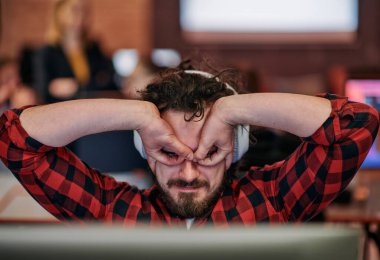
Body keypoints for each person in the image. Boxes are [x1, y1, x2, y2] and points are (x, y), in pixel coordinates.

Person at [0, 63, 379, 228]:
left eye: (210, 152)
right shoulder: (111, 212)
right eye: (169, 152)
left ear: (236, 152)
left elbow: (357, 125)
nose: (188, 173)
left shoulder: (273, 202)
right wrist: (137, 116)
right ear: (146, 152)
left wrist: (233, 110)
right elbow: (15, 139)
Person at [34, 0, 117, 104]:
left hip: (93, 108)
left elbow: (110, 80)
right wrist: (94, 83)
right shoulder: (47, 53)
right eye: (75, 10)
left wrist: (75, 87)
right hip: (63, 112)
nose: (81, 16)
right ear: (60, 13)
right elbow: (43, 91)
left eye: (85, 11)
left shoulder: (94, 48)